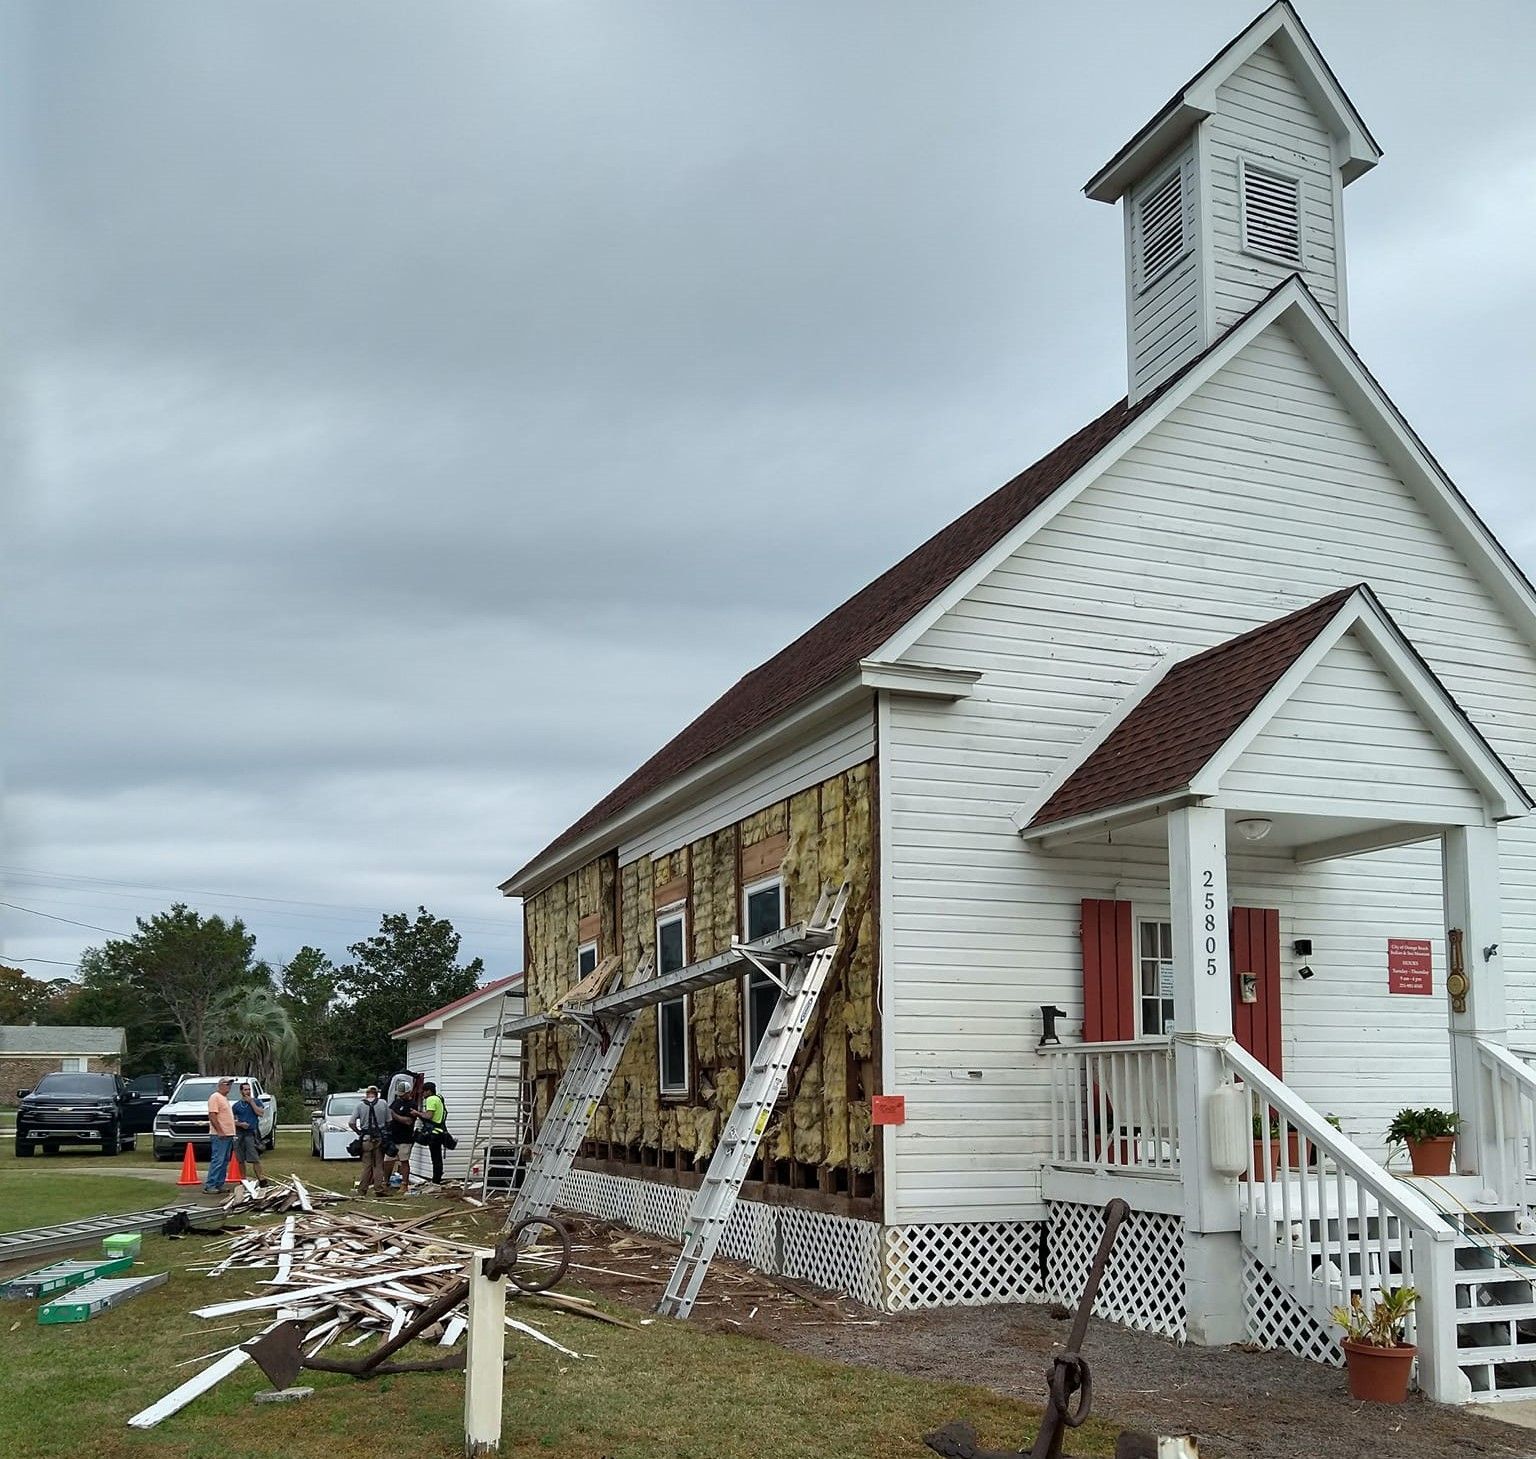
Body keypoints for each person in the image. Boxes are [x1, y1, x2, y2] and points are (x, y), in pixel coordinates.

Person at [348, 1084, 392, 1197]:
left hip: (366, 1139)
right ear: (377, 1093)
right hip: (379, 1138)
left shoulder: (360, 1105)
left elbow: (351, 1123)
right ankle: (379, 1189)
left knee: (366, 1166)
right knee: (378, 1165)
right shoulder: (383, 1103)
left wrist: (359, 1132)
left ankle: (362, 1190)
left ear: (367, 1094)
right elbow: (389, 1121)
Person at [387, 1082, 422, 1194]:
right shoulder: (396, 1102)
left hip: (405, 1138)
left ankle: (404, 1184)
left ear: (409, 1092)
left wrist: (394, 1115)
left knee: (404, 1161)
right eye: (399, 1094)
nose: (401, 1096)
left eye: (403, 1094)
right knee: (387, 1161)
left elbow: (408, 1121)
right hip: (393, 1137)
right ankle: (385, 1182)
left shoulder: (412, 1104)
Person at [231, 1081, 268, 1182]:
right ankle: (243, 1179)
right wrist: (240, 1124)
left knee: (254, 1158)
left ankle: (261, 1178)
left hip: (251, 1133)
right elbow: (232, 1120)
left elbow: (260, 1113)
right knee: (240, 1159)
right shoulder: (236, 1106)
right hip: (239, 1133)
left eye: (249, 1089)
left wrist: (251, 1102)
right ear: (241, 1091)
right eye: (245, 1089)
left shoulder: (256, 1102)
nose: (247, 1091)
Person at [204, 1077, 236, 1194]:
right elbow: (212, 1115)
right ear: (220, 1085)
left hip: (228, 1134)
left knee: (224, 1160)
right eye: (227, 1084)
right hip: (220, 1135)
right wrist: (220, 1131)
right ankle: (210, 1184)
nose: (229, 1087)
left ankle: (219, 1183)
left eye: (230, 1085)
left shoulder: (224, 1098)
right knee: (218, 1159)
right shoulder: (215, 1097)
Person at [419, 1081, 448, 1185]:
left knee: (435, 1158)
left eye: (424, 1091)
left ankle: (436, 1180)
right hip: (440, 1131)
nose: (423, 1094)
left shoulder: (430, 1099)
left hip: (434, 1133)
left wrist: (417, 1113)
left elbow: (429, 1116)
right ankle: (437, 1177)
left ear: (429, 1091)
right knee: (437, 1157)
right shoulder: (439, 1098)